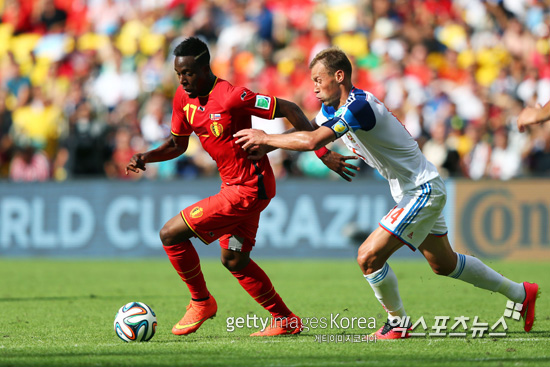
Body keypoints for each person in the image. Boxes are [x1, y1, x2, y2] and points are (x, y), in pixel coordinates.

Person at [235, 47, 539, 339]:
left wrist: (267, 137)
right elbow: (309, 129)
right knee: (443, 264)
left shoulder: (359, 106)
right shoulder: (333, 108)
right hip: (412, 189)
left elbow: (313, 139)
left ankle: (398, 324)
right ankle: (520, 293)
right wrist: (270, 142)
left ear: (339, 76)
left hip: (421, 189)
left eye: (318, 79)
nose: (313, 88)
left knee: (368, 257)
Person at [126, 37, 316, 336]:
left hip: (248, 188)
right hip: (238, 187)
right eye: (178, 74)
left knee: (170, 233)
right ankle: (285, 320)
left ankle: (201, 301)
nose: (183, 80)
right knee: (234, 259)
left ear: (204, 68)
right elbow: (177, 144)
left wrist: (319, 149)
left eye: (188, 72)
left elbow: (289, 108)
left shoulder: (232, 96)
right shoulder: (183, 98)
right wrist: (147, 157)